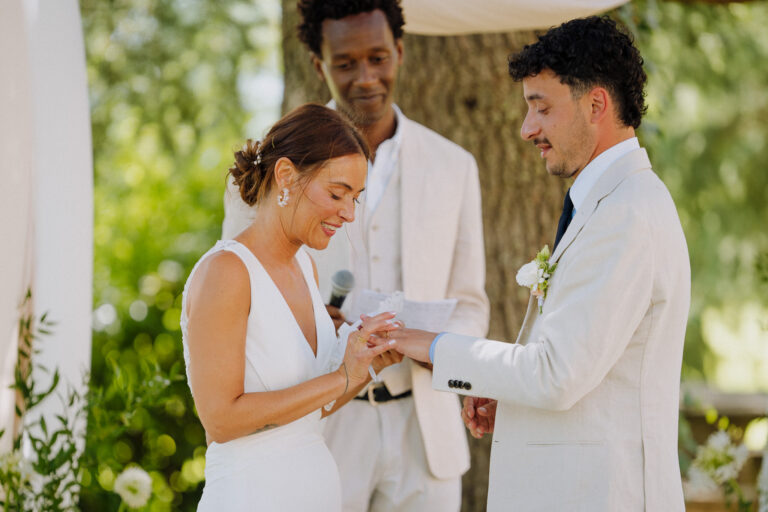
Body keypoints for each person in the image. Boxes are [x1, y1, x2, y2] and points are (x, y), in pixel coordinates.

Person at [385, 16, 691, 511]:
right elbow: (581, 366)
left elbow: (556, 375)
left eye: (541, 108)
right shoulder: (608, 204)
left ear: (596, 104)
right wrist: (508, 398)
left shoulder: (626, 213)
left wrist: (436, 346)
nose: (527, 129)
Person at [223, 2, 489, 510]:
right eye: (345, 63)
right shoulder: (276, 164)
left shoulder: (454, 165)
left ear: (400, 52)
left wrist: (438, 350)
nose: (366, 78)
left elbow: (470, 302)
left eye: (378, 58)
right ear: (319, 64)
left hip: (425, 429)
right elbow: (242, 291)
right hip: (323, 424)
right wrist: (307, 325)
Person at [181, 103, 403, 511]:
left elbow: (308, 411)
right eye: (337, 193)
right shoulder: (227, 272)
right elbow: (221, 420)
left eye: (355, 199)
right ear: (285, 175)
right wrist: (341, 377)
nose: (348, 214)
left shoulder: (305, 266)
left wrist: (365, 366)